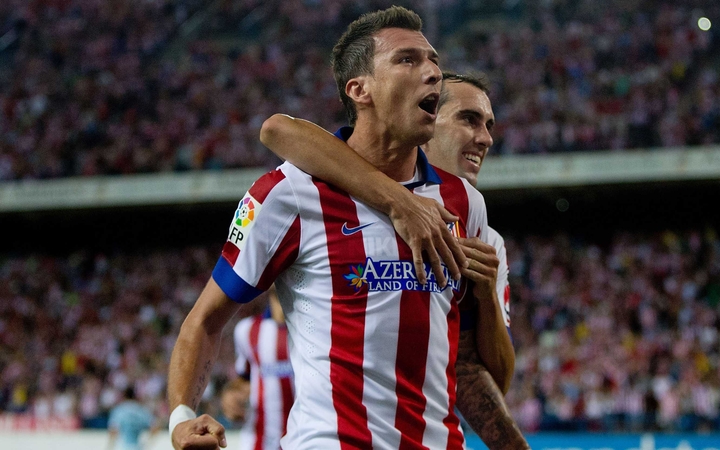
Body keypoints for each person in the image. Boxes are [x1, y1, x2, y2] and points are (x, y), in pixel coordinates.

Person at [168, 6, 493, 449]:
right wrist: (181, 418)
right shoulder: (287, 195)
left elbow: (468, 357)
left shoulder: (465, 204)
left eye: (433, 60)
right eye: (407, 59)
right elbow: (205, 320)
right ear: (359, 89)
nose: (433, 72)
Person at [259, 72, 527, 448]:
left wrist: (485, 296)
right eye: (468, 119)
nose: (485, 138)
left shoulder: (482, 234)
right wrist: (396, 200)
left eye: (488, 125)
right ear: (426, 120)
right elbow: (278, 131)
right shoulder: (339, 191)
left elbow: (479, 375)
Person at [221, 289, 294, 450]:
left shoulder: (315, 330)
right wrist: (230, 396)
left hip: (305, 440)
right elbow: (246, 379)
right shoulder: (246, 330)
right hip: (259, 442)